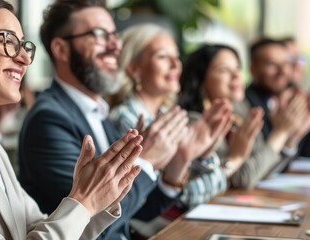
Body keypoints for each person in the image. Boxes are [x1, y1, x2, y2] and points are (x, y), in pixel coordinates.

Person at [18, 1, 229, 239]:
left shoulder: (99, 113)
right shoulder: (49, 119)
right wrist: (147, 159)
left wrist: (178, 162)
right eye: (99, 35)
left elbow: (137, 212)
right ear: (61, 49)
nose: (114, 46)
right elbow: (94, 223)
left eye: (114, 35)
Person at [0, 0, 142, 239]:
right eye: (8, 41)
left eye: (23, 45)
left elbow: (37, 228)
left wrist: (93, 199)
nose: (24, 57)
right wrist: (83, 201)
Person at [109, 24, 231, 210]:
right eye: (163, 57)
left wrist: (204, 154)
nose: (175, 65)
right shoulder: (126, 119)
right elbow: (172, 201)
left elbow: (211, 188)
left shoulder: (168, 115)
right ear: (134, 69)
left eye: (176, 57)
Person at [179, 44, 307, 188]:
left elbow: (264, 171)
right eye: (224, 70)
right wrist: (280, 133)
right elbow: (243, 178)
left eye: (238, 68)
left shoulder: (241, 114)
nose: (236, 75)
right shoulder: (196, 122)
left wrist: (290, 137)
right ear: (201, 80)